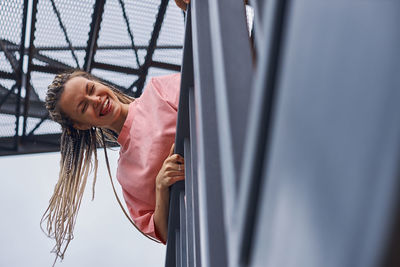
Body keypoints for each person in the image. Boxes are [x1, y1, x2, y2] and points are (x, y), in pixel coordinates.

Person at [41, 70, 185, 262]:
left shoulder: (158, 90)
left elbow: (208, 93)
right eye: (84, 107)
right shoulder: (126, 175)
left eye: (91, 89)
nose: (96, 100)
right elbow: (165, 233)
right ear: (81, 125)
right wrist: (161, 186)